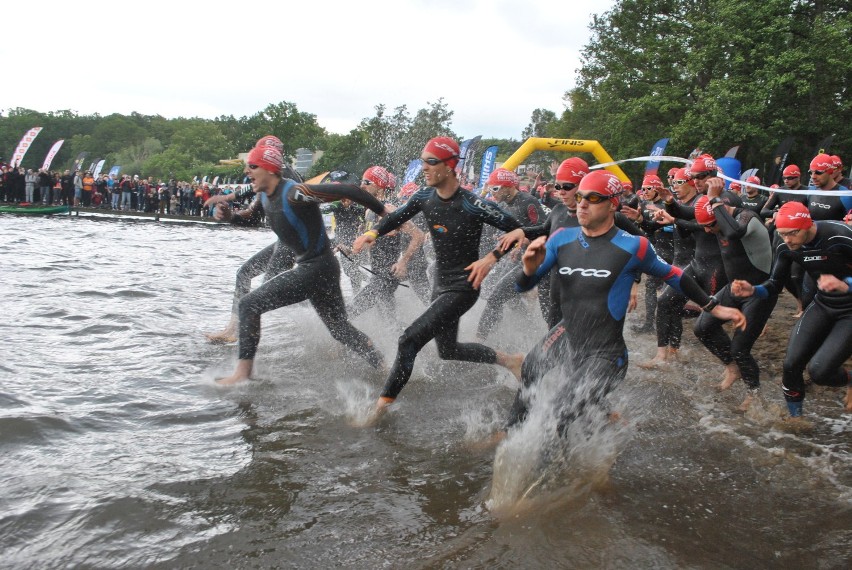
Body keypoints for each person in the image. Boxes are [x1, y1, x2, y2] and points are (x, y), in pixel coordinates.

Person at [504, 170, 746, 437]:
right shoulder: (561, 238)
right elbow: (521, 286)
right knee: (531, 368)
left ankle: (563, 472)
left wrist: (713, 306)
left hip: (607, 354)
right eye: (581, 196)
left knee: (561, 411)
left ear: (613, 204)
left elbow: (673, 274)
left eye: (593, 198)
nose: (582, 204)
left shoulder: (634, 246)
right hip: (568, 333)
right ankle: (511, 432)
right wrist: (528, 269)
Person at [352, 136, 525, 421]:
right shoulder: (423, 198)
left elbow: (520, 230)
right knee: (448, 349)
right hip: (440, 284)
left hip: (464, 286)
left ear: (450, 165)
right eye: (423, 162)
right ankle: (510, 360)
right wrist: (372, 234)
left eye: (431, 162)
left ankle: (379, 410)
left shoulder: (473, 204)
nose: (424, 168)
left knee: (408, 340)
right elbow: (396, 218)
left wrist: (491, 258)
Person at [212, 141, 386, 385]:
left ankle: (242, 374)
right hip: (322, 269)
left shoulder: (296, 193)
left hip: (315, 268)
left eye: (252, 166)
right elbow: (250, 219)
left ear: (270, 169)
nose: (246, 172)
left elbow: (350, 191)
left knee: (249, 305)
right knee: (340, 330)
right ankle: (382, 363)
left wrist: (385, 216)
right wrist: (231, 216)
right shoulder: (264, 195)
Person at [731, 202, 852, 418]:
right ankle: (796, 419)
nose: (787, 240)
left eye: (792, 233)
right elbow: (774, 286)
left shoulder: (839, 235)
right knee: (790, 364)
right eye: (782, 234)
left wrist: (846, 284)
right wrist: (753, 289)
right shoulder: (785, 246)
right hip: (824, 304)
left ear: (807, 224)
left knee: (819, 372)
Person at [691, 186, 775, 409]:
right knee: (702, 327)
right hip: (734, 287)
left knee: (740, 347)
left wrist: (716, 203)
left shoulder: (748, 217)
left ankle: (754, 393)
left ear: (723, 211)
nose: (709, 232)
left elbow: (732, 232)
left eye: (711, 226)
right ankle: (732, 367)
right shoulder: (718, 221)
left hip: (759, 291)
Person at [476, 167, 546, 340]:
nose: (492, 193)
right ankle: (528, 327)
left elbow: (546, 233)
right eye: (490, 188)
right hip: (513, 259)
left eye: (495, 188)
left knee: (495, 296)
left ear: (508, 186)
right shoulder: (501, 204)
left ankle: (480, 338)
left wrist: (523, 241)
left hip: (533, 261)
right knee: (500, 293)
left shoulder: (528, 202)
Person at [348, 165, 425, 323]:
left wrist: (403, 262)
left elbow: (418, 235)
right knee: (388, 321)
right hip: (376, 274)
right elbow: (371, 242)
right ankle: (405, 345)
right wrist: (351, 249)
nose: (361, 185)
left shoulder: (389, 209)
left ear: (378, 185)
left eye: (366, 182)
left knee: (347, 313)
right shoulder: (369, 211)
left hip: (387, 276)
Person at [807, 153, 852, 221]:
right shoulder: (810, 191)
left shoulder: (845, 195)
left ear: (830, 171)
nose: (813, 177)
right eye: (810, 172)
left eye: (818, 172)